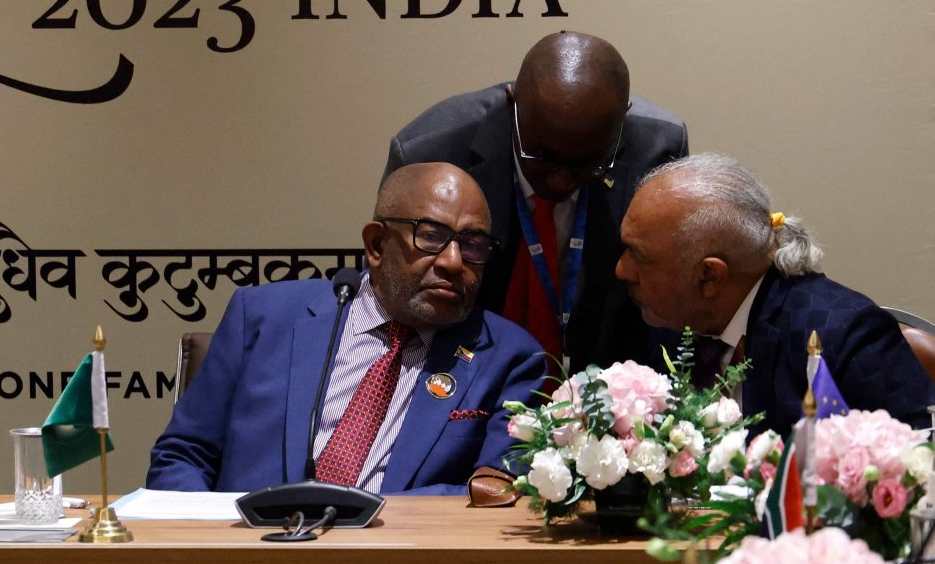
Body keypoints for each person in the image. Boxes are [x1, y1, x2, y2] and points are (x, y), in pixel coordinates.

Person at [147, 164, 546, 494]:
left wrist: (364, 521)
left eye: (473, 244)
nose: (454, 261)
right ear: (375, 245)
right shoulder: (263, 317)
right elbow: (183, 455)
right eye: (431, 236)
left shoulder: (509, 358)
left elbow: (500, 494)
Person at [382, 31, 688, 373]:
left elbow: (665, 306)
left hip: (608, 382)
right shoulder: (432, 153)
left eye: (586, 163)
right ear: (512, 105)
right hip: (460, 372)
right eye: (541, 156)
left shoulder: (660, 151)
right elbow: (396, 299)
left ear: (622, 121)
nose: (560, 180)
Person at [616, 152, 933, 435]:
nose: (622, 270)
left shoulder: (840, 338)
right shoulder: (668, 319)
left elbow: (914, 474)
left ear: (709, 276)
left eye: (638, 256)